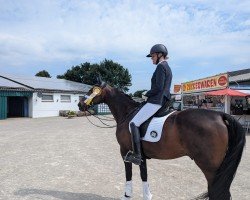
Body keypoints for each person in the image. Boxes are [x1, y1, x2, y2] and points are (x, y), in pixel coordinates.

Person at [124, 44, 172, 165]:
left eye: (152, 56)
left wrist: (146, 93)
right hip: (163, 100)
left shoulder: (161, 67)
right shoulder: (167, 67)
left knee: (133, 123)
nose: (151, 59)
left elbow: (158, 87)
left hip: (157, 101)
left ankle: (137, 155)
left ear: (159, 55)